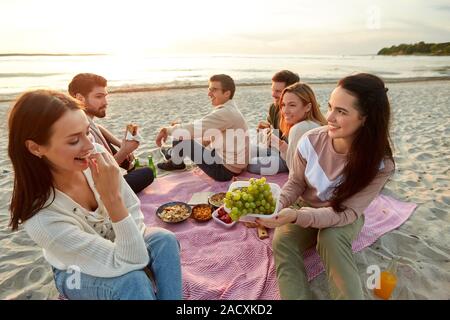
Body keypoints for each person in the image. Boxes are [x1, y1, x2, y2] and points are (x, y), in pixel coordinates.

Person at [8, 90, 182, 300]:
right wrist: (112, 199)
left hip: (116, 240)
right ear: (36, 148)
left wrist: (129, 244)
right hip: (74, 271)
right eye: (74, 141)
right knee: (132, 281)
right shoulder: (42, 218)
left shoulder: (95, 156)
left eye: (87, 132)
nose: (90, 146)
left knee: (165, 239)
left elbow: (134, 211)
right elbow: (133, 260)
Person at [257, 73, 395, 299]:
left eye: (341, 111)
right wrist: (277, 206)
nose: (329, 117)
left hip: (343, 214)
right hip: (305, 206)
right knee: (282, 242)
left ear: (366, 118)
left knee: (330, 238)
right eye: (331, 107)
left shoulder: (381, 164)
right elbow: (296, 183)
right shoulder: (311, 140)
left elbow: (347, 212)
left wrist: (295, 216)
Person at [68, 73, 153, 194]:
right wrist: (124, 151)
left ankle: (129, 168)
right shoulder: (80, 131)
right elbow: (100, 175)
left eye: (105, 96)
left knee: (107, 144)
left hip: (103, 172)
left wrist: (119, 143)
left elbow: (98, 127)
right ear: (80, 98)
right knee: (147, 173)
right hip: (98, 189)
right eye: (98, 97)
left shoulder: (82, 117)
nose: (105, 102)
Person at [155, 74, 249, 181]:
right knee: (183, 134)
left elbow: (194, 129)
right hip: (228, 162)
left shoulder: (226, 113)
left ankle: (176, 162)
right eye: (209, 89)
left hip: (224, 171)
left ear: (227, 93)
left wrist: (166, 130)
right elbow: (209, 135)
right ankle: (173, 155)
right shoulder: (230, 109)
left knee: (182, 136)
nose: (209, 94)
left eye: (214, 90)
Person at [249, 82, 326, 174]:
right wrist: (280, 144)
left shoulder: (300, 128)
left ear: (308, 107)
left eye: (292, 105)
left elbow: (295, 169)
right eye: (283, 105)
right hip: (282, 154)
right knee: (249, 152)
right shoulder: (315, 124)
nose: (285, 111)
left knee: (248, 162)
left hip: (293, 168)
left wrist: (281, 146)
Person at [249, 70, 300, 174]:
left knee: (252, 164)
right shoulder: (274, 107)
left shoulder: (299, 113)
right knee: (243, 152)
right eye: (273, 90)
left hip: (289, 159)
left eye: (278, 91)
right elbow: (275, 134)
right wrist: (266, 130)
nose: (273, 94)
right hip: (276, 151)